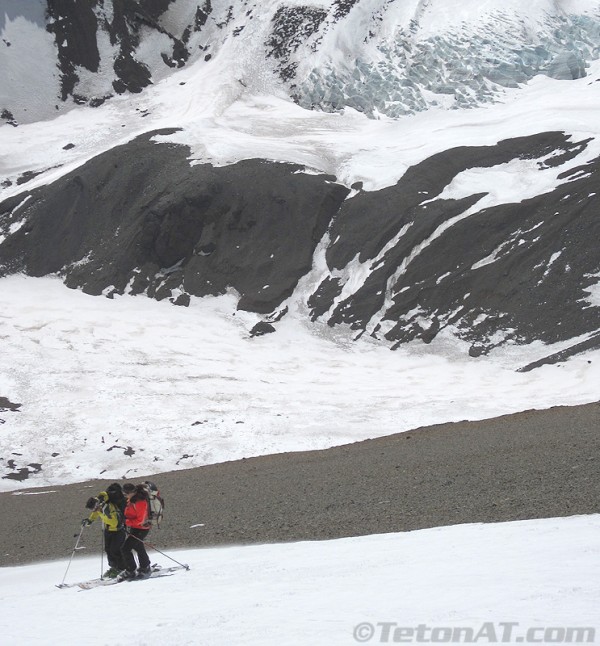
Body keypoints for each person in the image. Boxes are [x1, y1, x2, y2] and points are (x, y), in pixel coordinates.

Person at [82, 482, 126, 578]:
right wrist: (90, 520)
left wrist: (104, 518)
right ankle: (114, 568)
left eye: (94, 509)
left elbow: (114, 522)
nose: (93, 511)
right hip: (109, 529)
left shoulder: (107, 508)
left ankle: (122, 568)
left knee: (115, 550)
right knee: (108, 549)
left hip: (117, 530)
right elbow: (96, 513)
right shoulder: (100, 505)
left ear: (97, 505)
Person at [118, 482, 152, 580]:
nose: (125, 496)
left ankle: (130, 570)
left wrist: (126, 521)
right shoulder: (134, 499)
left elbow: (140, 520)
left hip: (141, 528)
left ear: (131, 492)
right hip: (137, 528)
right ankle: (145, 566)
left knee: (125, 548)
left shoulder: (140, 501)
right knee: (138, 547)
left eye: (125, 494)